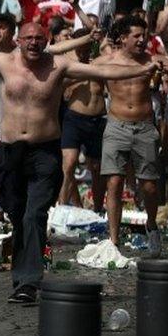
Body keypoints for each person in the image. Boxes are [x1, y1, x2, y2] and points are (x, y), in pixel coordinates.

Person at [0, 22, 158, 304]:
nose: (33, 43)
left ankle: (28, 282)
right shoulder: (3, 62)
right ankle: (23, 277)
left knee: (34, 215)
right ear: (18, 40)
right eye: (28, 38)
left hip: (45, 153)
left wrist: (141, 70)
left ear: (47, 40)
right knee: (18, 217)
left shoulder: (58, 66)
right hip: (11, 152)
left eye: (39, 38)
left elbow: (102, 70)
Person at [96, 16, 168, 257]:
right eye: (136, 36)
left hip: (143, 127)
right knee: (114, 182)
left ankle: (151, 225)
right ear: (122, 39)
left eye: (144, 36)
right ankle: (114, 239)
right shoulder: (106, 61)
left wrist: (167, 69)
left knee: (149, 186)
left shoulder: (152, 60)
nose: (142, 40)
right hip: (116, 125)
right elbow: (75, 69)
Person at [57, 29, 108, 212]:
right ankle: (62, 208)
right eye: (79, 46)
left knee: (96, 167)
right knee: (68, 163)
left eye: (85, 46)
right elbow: (59, 86)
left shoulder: (101, 62)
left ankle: (97, 209)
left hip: (98, 118)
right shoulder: (68, 64)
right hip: (74, 118)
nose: (82, 50)